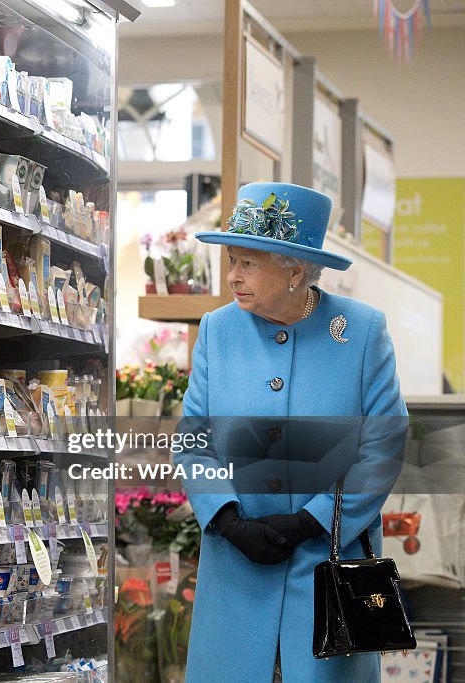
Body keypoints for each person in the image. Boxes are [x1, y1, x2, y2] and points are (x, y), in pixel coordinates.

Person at [177, 182, 407, 682]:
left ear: (295, 271)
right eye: (232, 260)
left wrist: (312, 521)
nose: (233, 276)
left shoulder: (360, 331)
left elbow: (383, 447)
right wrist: (228, 520)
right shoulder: (218, 330)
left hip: (327, 564)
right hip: (236, 564)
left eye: (248, 263)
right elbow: (193, 439)